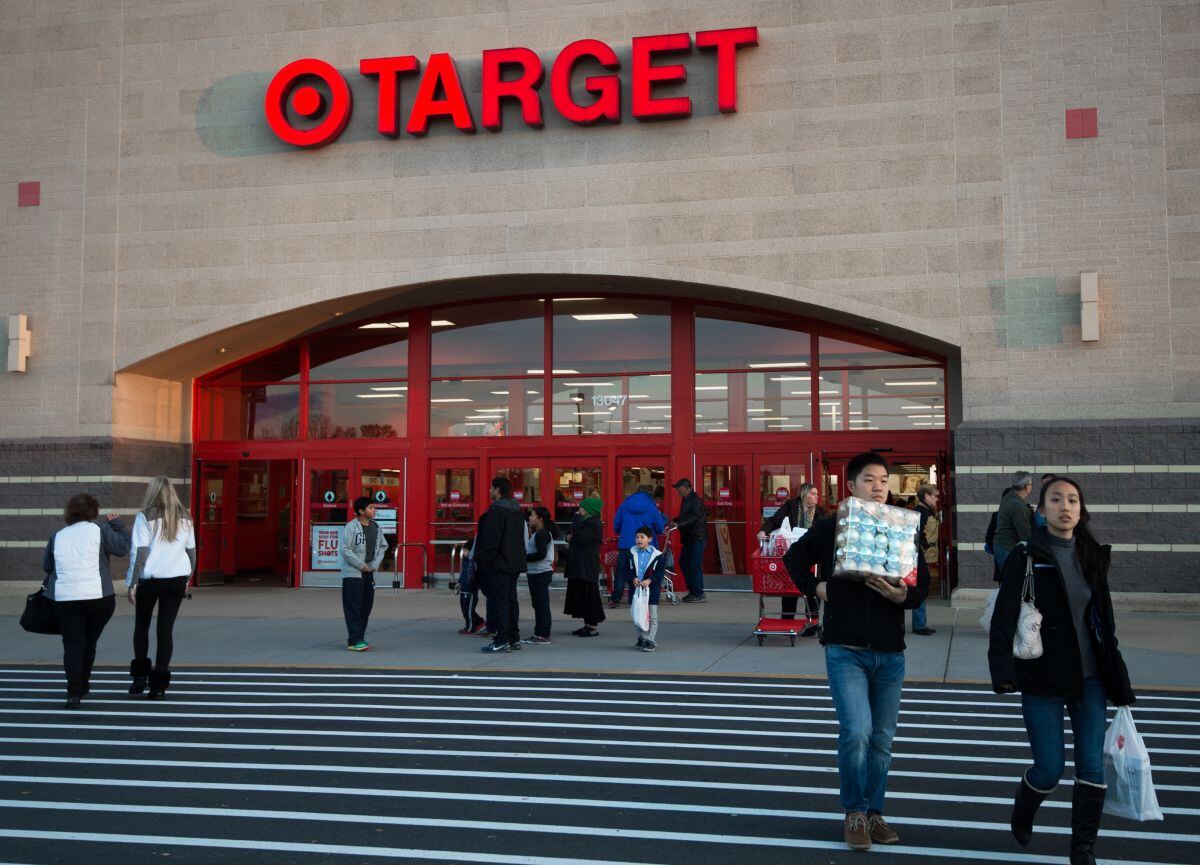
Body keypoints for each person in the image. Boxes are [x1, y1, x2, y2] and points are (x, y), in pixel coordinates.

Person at [783, 452, 930, 852]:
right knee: (857, 732)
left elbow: (920, 585)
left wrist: (904, 596)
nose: (879, 486)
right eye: (869, 479)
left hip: (890, 652)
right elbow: (793, 559)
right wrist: (816, 588)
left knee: (882, 739)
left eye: (884, 480)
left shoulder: (902, 526)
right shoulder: (833, 525)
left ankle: (874, 812)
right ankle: (855, 812)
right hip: (845, 649)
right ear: (850, 486)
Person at [989, 476, 1134, 865]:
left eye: (1072, 500)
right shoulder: (1026, 555)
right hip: (1043, 677)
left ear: (1081, 510)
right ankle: (1025, 805)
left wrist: (1118, 677)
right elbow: (1004, 616)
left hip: (1090, 680)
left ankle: (1082, 849)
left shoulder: (1092, 555)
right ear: (1041, 510)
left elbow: (1104, 622)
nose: (1065, 506)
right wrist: (1002, 668)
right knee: (1049, 770)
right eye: (1056, 499)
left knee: (1092, 769)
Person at [42, 493, 131, 709]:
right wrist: (117, 525)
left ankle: (74, 692)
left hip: (65, 599)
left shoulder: (57, 536)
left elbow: (47, 567)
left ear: (69, 512)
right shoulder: (101, 530)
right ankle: (84, 684)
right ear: (94, 511)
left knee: (73, 644)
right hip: (99, 598)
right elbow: (123, 548)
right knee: (89, 642)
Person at [126, 477, 196, 699]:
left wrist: (132, 582)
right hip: (177, 578)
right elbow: (191, 551)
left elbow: (140, 552)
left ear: (152, 492)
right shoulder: (185, 516)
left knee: (142, 625)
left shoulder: (145, 516)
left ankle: (140, 678)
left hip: (151, 579)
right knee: (165, 630)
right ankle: (159, 685)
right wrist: (188, 578)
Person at [758, 482, 822, 632]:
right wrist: (763, 531)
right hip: (792, 553)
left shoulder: (819, 512)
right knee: (790, 587)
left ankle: (812, 624)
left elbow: (823, 531)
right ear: (805, 494)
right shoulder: (791, 506)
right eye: (813, 494)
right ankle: (787, 620)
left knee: (811, 589)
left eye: (817, 494)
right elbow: (774, 520)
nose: (816, 497)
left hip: (811, 555)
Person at [475, 477, 526, 653]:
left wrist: (486, 560)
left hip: (499, 563)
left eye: (491, 488)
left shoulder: (496, 510)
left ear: (497, 489)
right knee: (511, 601)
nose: (489, 491)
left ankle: (502, 640)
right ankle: (513, 638)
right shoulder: (517, 510)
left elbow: (492, 539)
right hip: (514, 562)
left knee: (500, 602)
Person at [340, 496, 387, 652]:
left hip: (370, 573)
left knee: (366, 606)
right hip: (353, 574)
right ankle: (354, 640)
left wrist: (373, 565)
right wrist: (361, 565)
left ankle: (360, 637)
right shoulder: (351, 527)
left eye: (374, 507)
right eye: (370, 507)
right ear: (361, 511)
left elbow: (383, 547)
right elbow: (345, 549)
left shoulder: (376, 527)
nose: (374, 510)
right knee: (353, 607)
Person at [610, 484, 666, 607]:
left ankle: (615, 598)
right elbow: (659, 527)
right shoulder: (651, 506)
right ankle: (645, 596)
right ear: (650, 493)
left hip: (625, 543)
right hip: (646, 545)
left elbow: (617, 524)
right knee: (646, 571)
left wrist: (623, 532)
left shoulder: (625, 504)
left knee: (621, 571)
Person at [615, 526, 667, 652]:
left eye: (642, 537)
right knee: (637, 615)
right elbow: (626, 571)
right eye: (637, 537)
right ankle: (642, 638)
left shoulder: (658, 556)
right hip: (636, 590)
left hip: (652, 590)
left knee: (652, 616)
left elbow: (660, 573)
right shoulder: (631, 554)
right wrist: (632, 578)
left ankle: (650, 640)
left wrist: (650, 580)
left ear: (650, 539)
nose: (639, 539)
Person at [563, 495, 605, 636]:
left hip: (586, 564)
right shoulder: (584, 520)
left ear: (589, 509)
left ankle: (592, 625)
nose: (579, 509)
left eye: (582, 507)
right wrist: (571, 533)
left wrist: (575, 524)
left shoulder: (594, 523)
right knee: (582, 593)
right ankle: (587, 624)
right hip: (579, 563)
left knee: (590, 594)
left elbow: (580, 537)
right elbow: (570, 536)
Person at [522, 506, 558, 645]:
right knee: (538, 604)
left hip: (540, 572)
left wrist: (523, 558)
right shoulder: (540, 533)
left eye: (532, 515)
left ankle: (543, 635)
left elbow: (541, 554)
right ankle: (539, 633)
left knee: (541, 604)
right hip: (537, 572)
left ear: (540, 519)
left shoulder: (542, 534)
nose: (529, 518)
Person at [668, 478, 707, 603]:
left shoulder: (695, 501)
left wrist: (679, 524)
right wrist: (675, 520)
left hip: (697, 538)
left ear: (686, 488)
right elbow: (685, 516)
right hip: (689, 539)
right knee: (684, 563)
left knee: (694, 566)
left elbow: (695, 518)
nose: (678, 491)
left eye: (679, 489)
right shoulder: (686, 500)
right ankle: (693, 591)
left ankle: (698, 593)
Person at [911, 483, 939, 636]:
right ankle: (919, 624)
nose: (937, 499)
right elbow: (917, 534)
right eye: (935, 496)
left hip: (926, 554)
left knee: (921, 587)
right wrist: (925, 547)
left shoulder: (926, 511)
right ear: (927, 496)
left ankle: (921, 623)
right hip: (921, 555)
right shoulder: (920, 512)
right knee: (921, 587)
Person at [994, 471, 1035, 572]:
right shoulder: (1018, 507)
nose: (1031, 486)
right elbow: (1025, 535)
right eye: (1031, 484)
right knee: (1013, 579)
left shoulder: (1008, 497)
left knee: (1007, 577)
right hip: (1009, 548)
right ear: (1027, 487)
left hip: (1001, 545)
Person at [454, 536, 485, 635]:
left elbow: (476, 575)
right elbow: (462, 573)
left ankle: (470, 627)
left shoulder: (474, 562)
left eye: (466, 550)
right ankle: (479, 622)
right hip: (463, 588)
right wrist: (459, 582)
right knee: (465, 609)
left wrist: (474, 585)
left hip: (470, 590)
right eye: (463, 550)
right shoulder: (465, 560)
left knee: (468, 610)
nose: (464, 553)